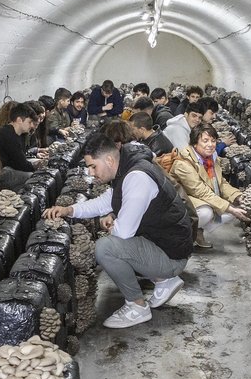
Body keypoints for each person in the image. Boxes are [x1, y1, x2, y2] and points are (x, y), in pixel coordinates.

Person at [42, 133, 192, 329]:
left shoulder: (136, 178)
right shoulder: (127, 168)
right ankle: (164, 281)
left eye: (93, 166)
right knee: (117, 237)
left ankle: (137, 306)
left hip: (172, 255)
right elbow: (107, 201)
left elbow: (123, 233)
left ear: (110, 159)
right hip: (167, 245)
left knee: (106, 248)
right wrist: (70, 210)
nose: (91, 173)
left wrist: (115, 222)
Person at [170, 124, 250, 249]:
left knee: (238, 206)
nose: (211, 145)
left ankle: (197, 231)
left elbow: (221, 183)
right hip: (181, 204)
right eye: (205, 141)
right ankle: (179, 237)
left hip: (198, 199)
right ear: (195, 143)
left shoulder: (211, 158)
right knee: (206, 212)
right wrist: (229, 208)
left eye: (213, 141)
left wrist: (238, 196)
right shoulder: (183, 163)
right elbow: (200, 191)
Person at [0, 101, 39, 173]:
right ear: (19, 120)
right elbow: (22, 165)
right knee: (31, 175)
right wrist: (39, 166)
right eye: (29, 122)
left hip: (5, 167)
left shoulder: (15, 133)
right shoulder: (8, 136)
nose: (32, 126)